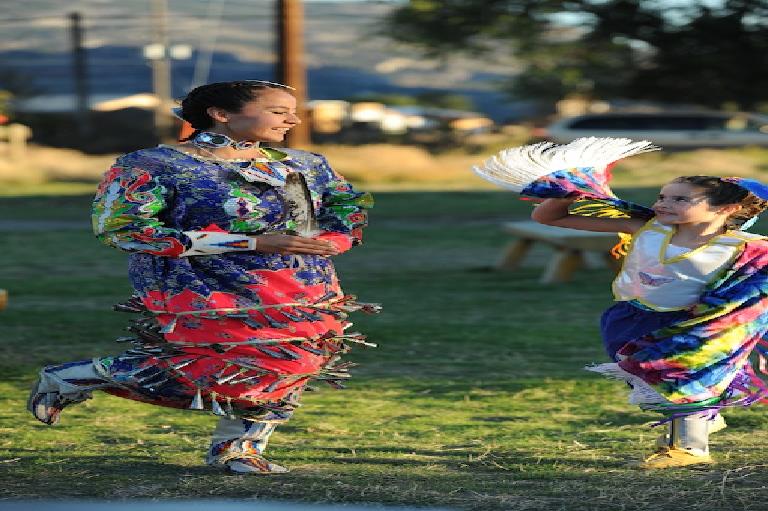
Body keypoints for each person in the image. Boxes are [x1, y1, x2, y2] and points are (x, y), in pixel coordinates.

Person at [27, 80, 377, 474]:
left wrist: (332, 240)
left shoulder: (306, 164)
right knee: (217, 364)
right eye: (279, 112)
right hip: (198, 279)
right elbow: (122, 228)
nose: (293, 119)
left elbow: (344, 207)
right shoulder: (153, 165)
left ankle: (238, 448)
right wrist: (249, 244)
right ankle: (81, 377)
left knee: (299, 359)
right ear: (221, 114)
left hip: (302, 279)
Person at [531, 175, 768, 468]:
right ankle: (702, 418)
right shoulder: (644, 228)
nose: (663, 204)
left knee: (684, 380)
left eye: (680, 199)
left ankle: (690, 449)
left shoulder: (746, 248)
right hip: (631, 319)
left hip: (697, 326)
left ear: (727, 209)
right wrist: (568, 191)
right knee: (651, 379)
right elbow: (548, 217)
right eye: (662, 196)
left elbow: (755, 290)